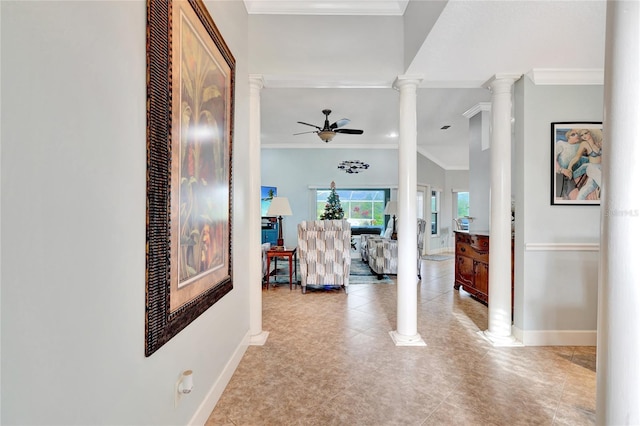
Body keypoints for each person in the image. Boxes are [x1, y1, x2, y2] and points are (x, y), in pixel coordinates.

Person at [561, 128, 603, 200]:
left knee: (588, 188)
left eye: (585, 133)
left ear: (591, 132)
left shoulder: (599, 142)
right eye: (582, 135)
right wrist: (570, 167)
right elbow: (577, 157)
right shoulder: (584, 144)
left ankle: (578, 201)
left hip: (601, 167)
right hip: (592, 167)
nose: (584, 136)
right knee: (602, 183)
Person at [554, 129, 584, 198]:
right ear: (568, 137)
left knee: (576, 197)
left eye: (577, 134)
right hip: (560, 174)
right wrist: (562, 170)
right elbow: (552, 159)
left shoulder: (580, 146)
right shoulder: (561, 144)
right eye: (573, 134)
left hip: (572, 176)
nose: (576, 136)